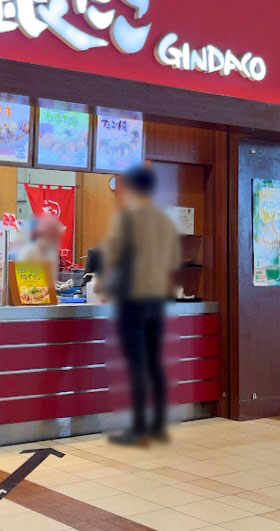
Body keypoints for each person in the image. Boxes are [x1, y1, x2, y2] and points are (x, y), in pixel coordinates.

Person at [101, 165, 180, 445]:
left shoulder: (126, 219)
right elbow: (174, 260)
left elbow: (113, 258)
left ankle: (138, 428)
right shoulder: (165, 221)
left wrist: (105, 286)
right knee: (155, 363)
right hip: (156, 301)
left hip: (132, 300)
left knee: (136, 363)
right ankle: (157, 426)